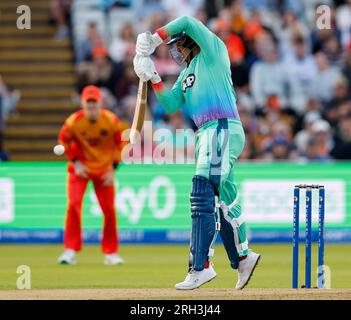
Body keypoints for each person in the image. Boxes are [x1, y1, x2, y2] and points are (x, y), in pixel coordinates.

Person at [133, 15, 260, 290]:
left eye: (180, 46)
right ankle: (243, 257)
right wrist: (152, 75)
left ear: (191, 43)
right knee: (224, 199)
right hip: (207, 134)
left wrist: (155, 38)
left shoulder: (214, 51)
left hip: (221, 127)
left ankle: (200, 266)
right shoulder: (187, 74)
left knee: (201, 192)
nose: (177, 51)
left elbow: (188, 21)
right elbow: (169, 103)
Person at [57, 85, 125, 265]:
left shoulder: (111, 121)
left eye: (95, 104)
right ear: (83, 104)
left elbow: (122, 145)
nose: (92, 109)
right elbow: (63, 141)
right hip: (81, 169)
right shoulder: (74, 122)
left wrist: (113, 168)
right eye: (89, 105)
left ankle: (111, 252)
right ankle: (70, 250)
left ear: (100, 103)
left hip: (104, 171)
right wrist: (76, 162)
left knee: (109, 210)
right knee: (73, 205)